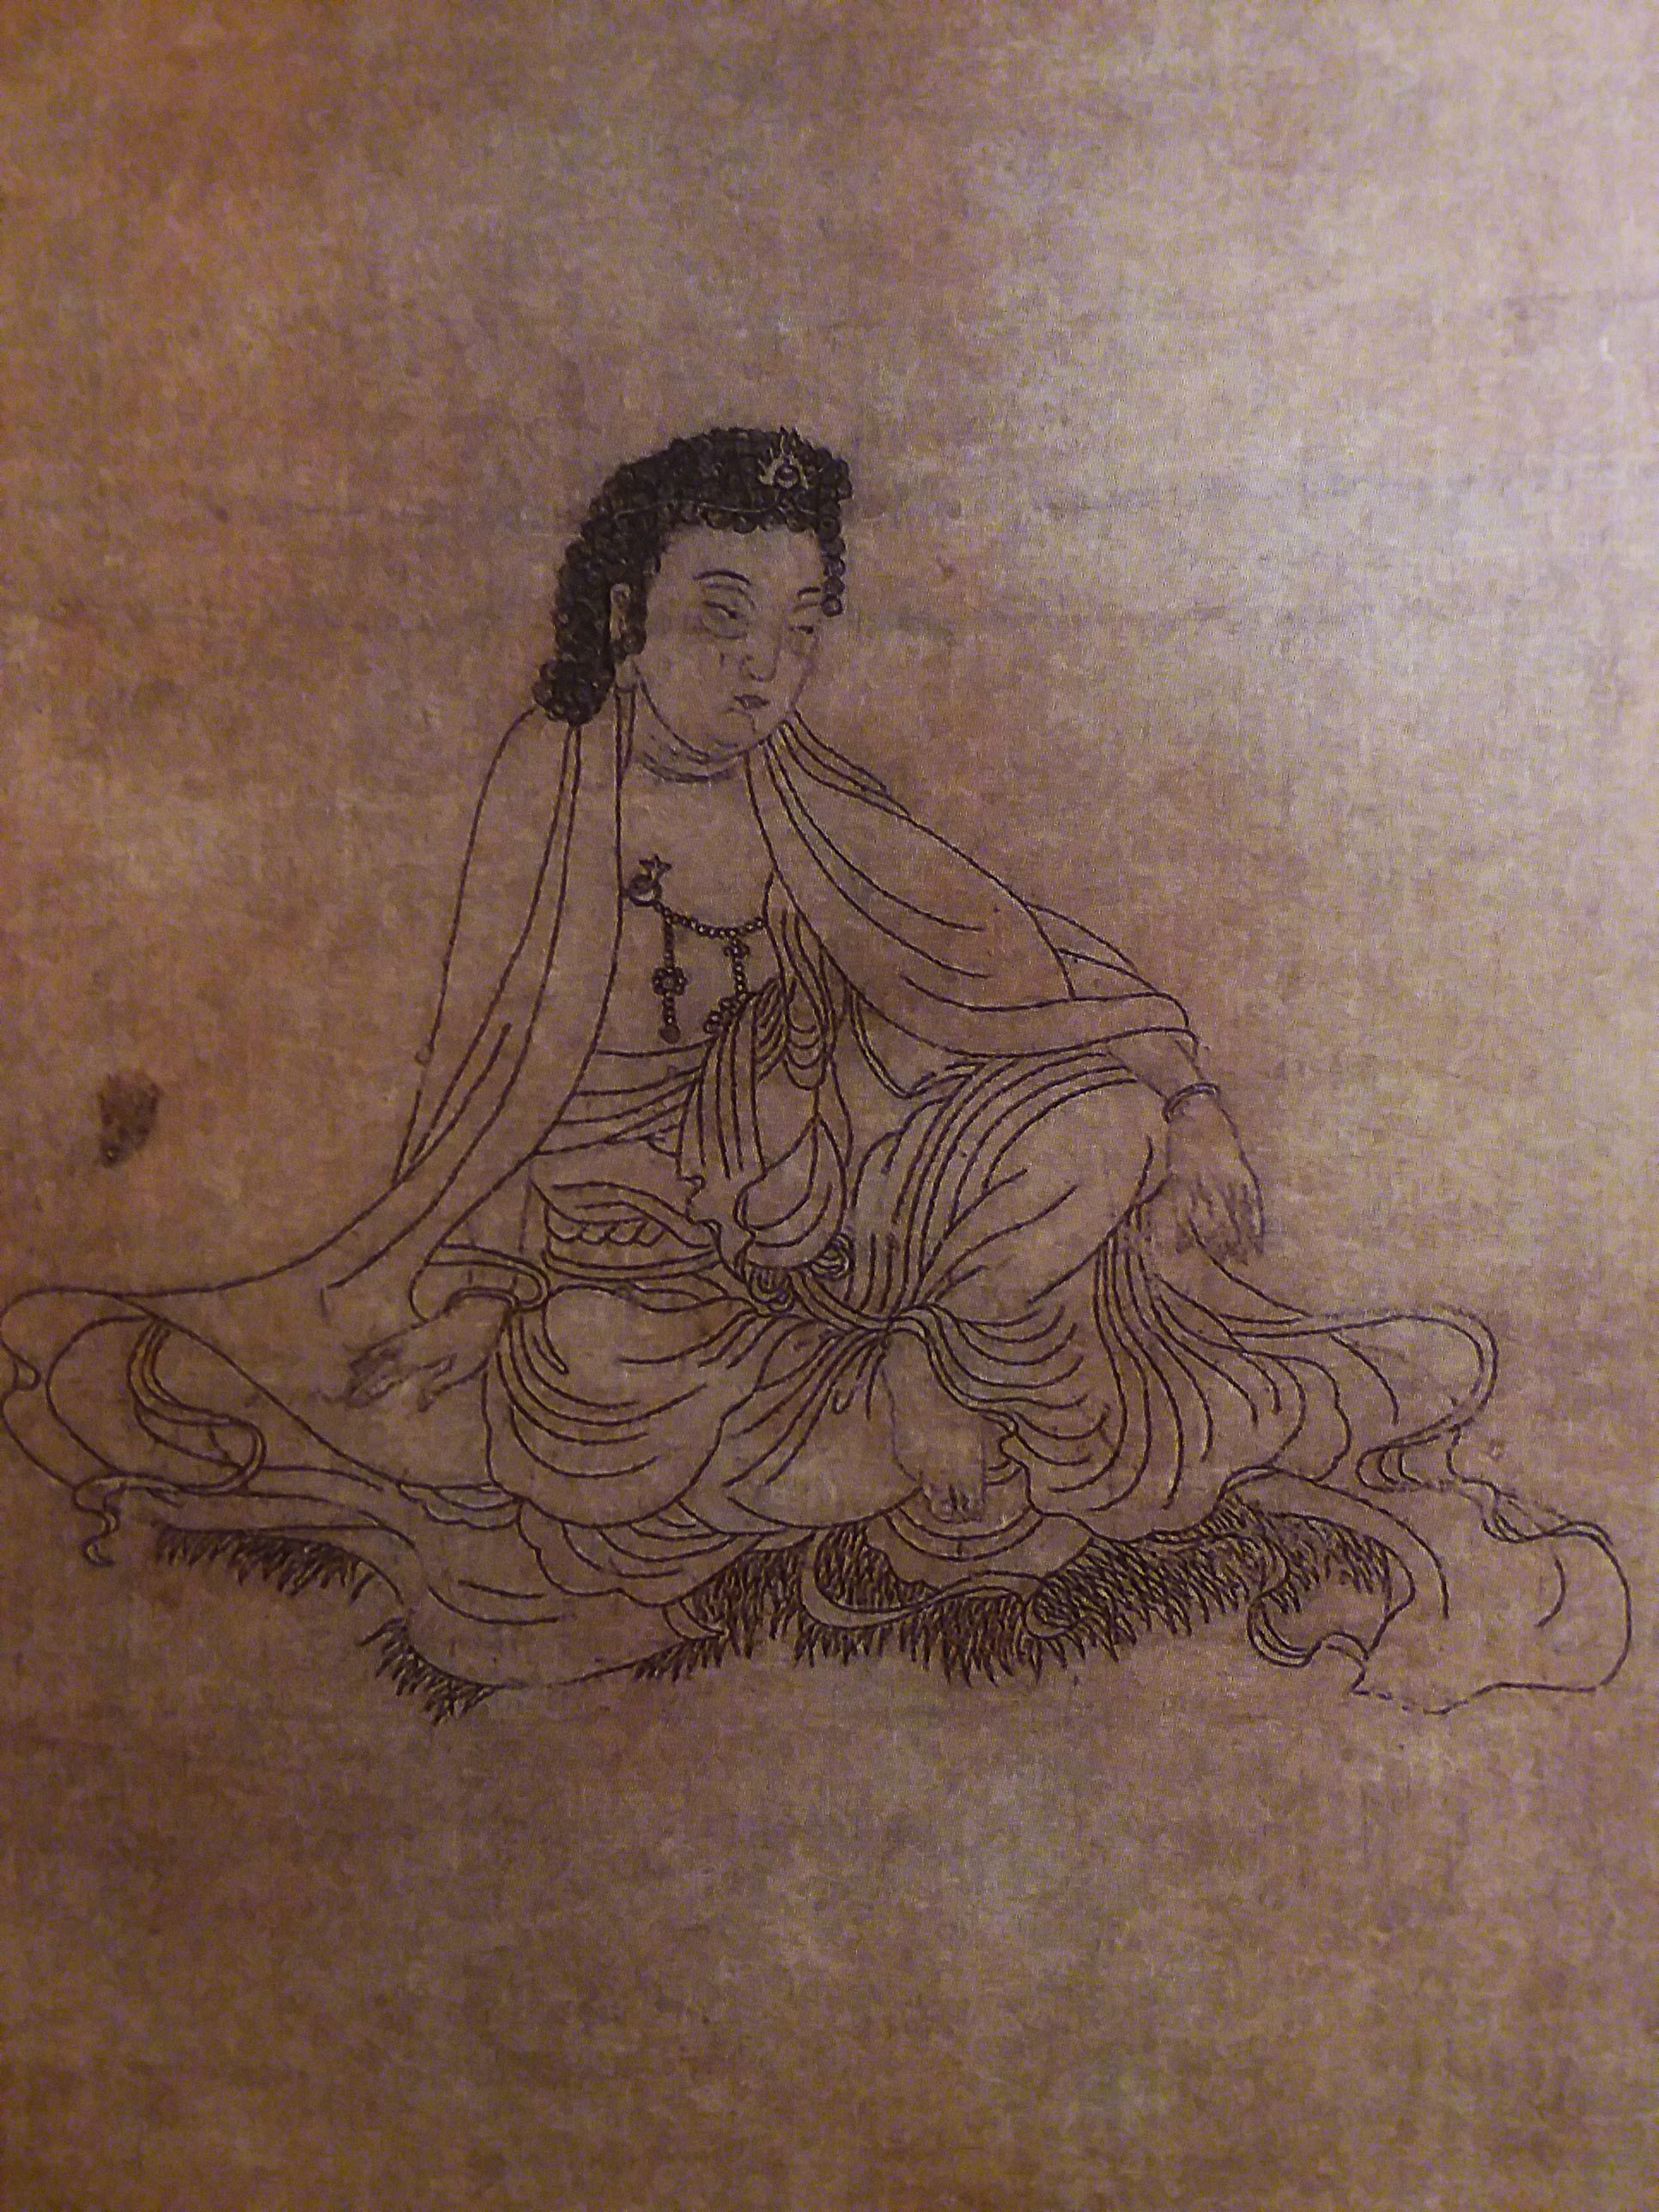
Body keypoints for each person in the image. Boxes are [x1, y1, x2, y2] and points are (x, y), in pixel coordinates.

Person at [0, 427, 1630, 1705]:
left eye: (797, 627)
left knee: (1099, 1119)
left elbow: (1013, 954)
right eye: (721, 618)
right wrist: (483, 1281)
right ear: (626, 616)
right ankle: (1005, 1442)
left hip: (843, 1206)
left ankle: (998, 1416)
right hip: (641, 1269)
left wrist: (1187, 1103)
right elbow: (497, 1108)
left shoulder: (800, 788)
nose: (763, 667)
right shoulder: (557, 793)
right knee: (581, 1376)